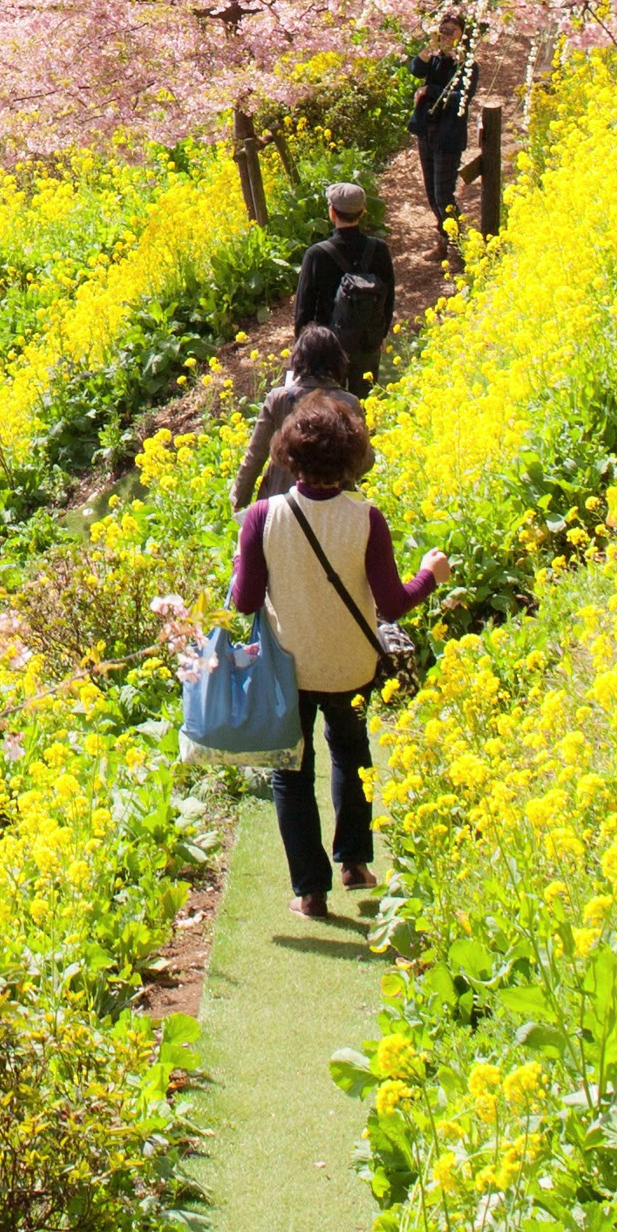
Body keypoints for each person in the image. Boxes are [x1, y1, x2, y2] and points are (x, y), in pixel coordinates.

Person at [229, 391, 445, 921]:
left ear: (289, 454)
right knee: (350, 751)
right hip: (352, 663)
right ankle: (354, 863)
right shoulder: (367, 518)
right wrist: (430, 576)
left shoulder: (262, 516)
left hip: (289, 668)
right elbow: (392, 604)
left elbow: (245, 602)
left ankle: (310, 892)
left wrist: (245, 564)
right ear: (352, 456)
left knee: (292, 772)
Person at [232, 320, 354, 511]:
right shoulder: (350, 402)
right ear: (337, 360)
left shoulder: (279, 398)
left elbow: (256, 454)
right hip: (335, 503)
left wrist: (240, 498)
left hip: (280, 499)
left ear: (299, 359)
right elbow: (365, 460)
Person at [294, 183, 397, 388]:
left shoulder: (316, 254)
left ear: (332, 212)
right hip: (367, 341)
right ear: (363, 211)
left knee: (332, 410)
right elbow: (388, 296)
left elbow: (303, 311)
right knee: (365, 406)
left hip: (328, 347)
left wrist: (304, 351)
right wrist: (381, 334)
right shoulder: (379, 249)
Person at [411, 23, 477, 244]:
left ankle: (460, 246)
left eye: (451, 31)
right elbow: (415, 70)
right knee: (431, 194)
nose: (446, 36)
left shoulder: (467, 65)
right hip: (426, 132)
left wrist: (431, 90)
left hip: (448, 136)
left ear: (463, 35)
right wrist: (430, 46)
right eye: (443, 30)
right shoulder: (436, 59)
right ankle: (445, 241)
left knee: (443, 196)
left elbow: (462, 98)